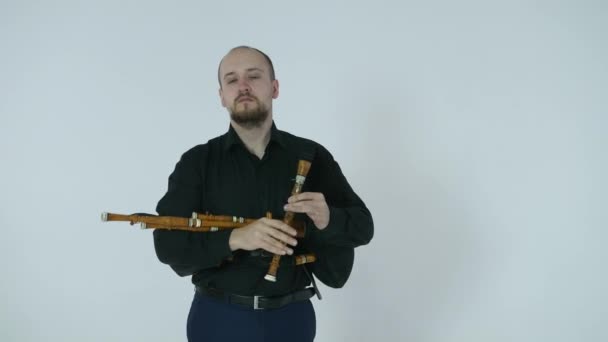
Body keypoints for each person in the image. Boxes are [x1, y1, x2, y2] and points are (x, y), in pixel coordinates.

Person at [153, 46, 373, 342]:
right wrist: (237, 238)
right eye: (231, 80)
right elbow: (167, 244)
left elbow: (363, 227)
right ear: (221, 96)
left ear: (274, 87)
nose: (243, 86)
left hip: (291, 319)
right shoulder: (197, 162)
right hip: (219, 318)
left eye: (253, 76)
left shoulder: (312, 155)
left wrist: (327, 218)